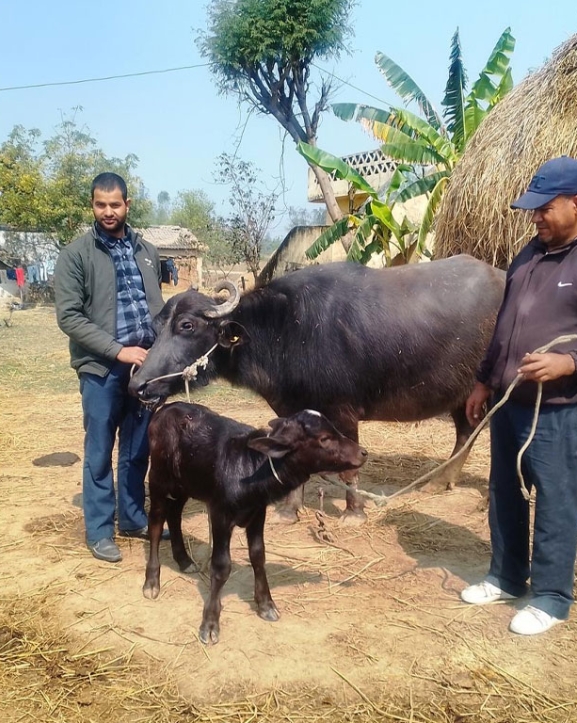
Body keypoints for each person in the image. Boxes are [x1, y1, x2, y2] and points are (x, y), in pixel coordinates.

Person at [461, 155, 577, 635]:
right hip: (510, 402)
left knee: (555, 497)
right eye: (533, 210)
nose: (537, 218)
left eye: (545, 208)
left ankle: (551, 596)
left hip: (558, 409)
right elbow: (505, 326)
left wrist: (568, 362)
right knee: (503, 490)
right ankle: (507, 576)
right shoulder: (528, 254)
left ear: (575, 202)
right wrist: (485, 380)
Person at [55, 172, 166, 563]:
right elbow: (69, 317)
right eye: (100, 204)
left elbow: (156, 309)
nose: (107, 211)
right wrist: (118, 351)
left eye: (114, 204)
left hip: (145, 369)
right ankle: (100, 530)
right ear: (93, 205)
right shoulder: (75, 255)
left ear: (127, 205)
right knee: (100, 452)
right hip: (101, 370)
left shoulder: (147, 251)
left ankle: (133, 519)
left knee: (138, 449)